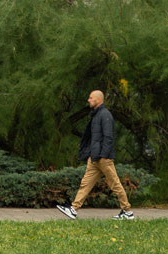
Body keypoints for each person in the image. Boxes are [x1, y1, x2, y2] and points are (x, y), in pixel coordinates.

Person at [56, 90, 134, 220]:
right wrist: (91, 154)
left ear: (98, 100)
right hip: (94, 157)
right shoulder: (96, 115)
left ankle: (127, 212)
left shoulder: (105, 115)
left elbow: (109, 137)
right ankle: (73, 209)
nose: (88, 100)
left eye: (91, 98)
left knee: (114, 184)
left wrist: (104, 155)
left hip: (103, 158)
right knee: (85, 183)